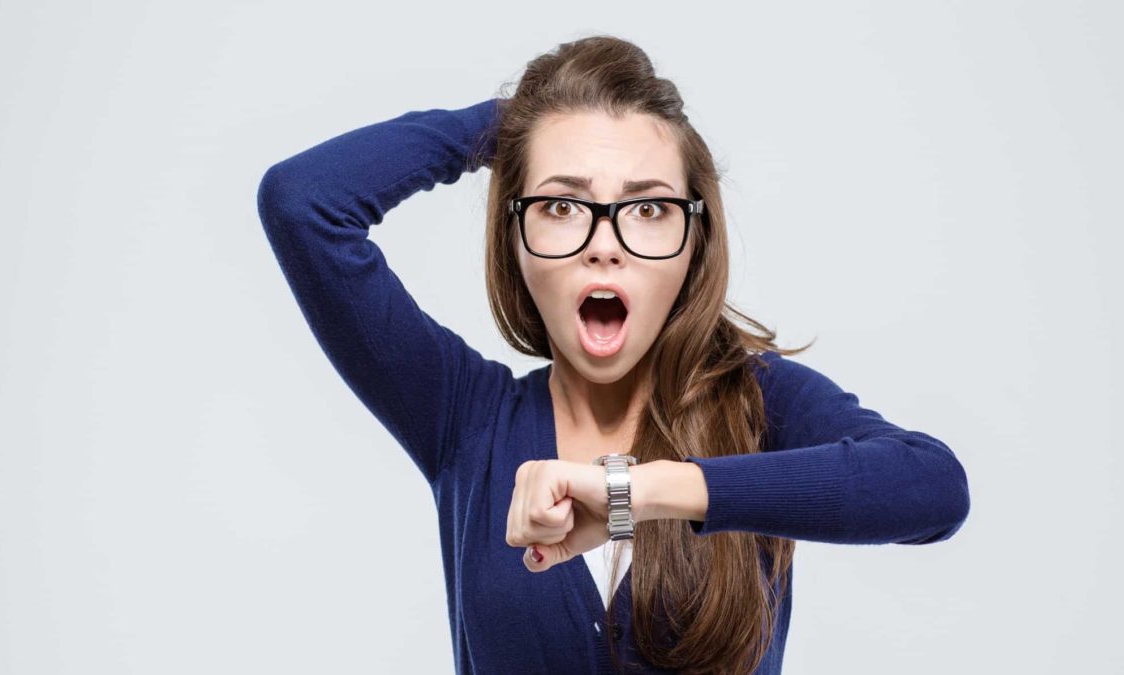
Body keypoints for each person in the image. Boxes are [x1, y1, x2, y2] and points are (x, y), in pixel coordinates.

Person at [256, 35, 970, 675]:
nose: (606, 241)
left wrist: (640, 494)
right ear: (515, 235)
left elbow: (932, 486)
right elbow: (304, 203)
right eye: (562, 205)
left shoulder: (760, 402)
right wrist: (517, 121)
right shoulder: (465, 419)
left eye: (649, 208)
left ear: (695, 243)